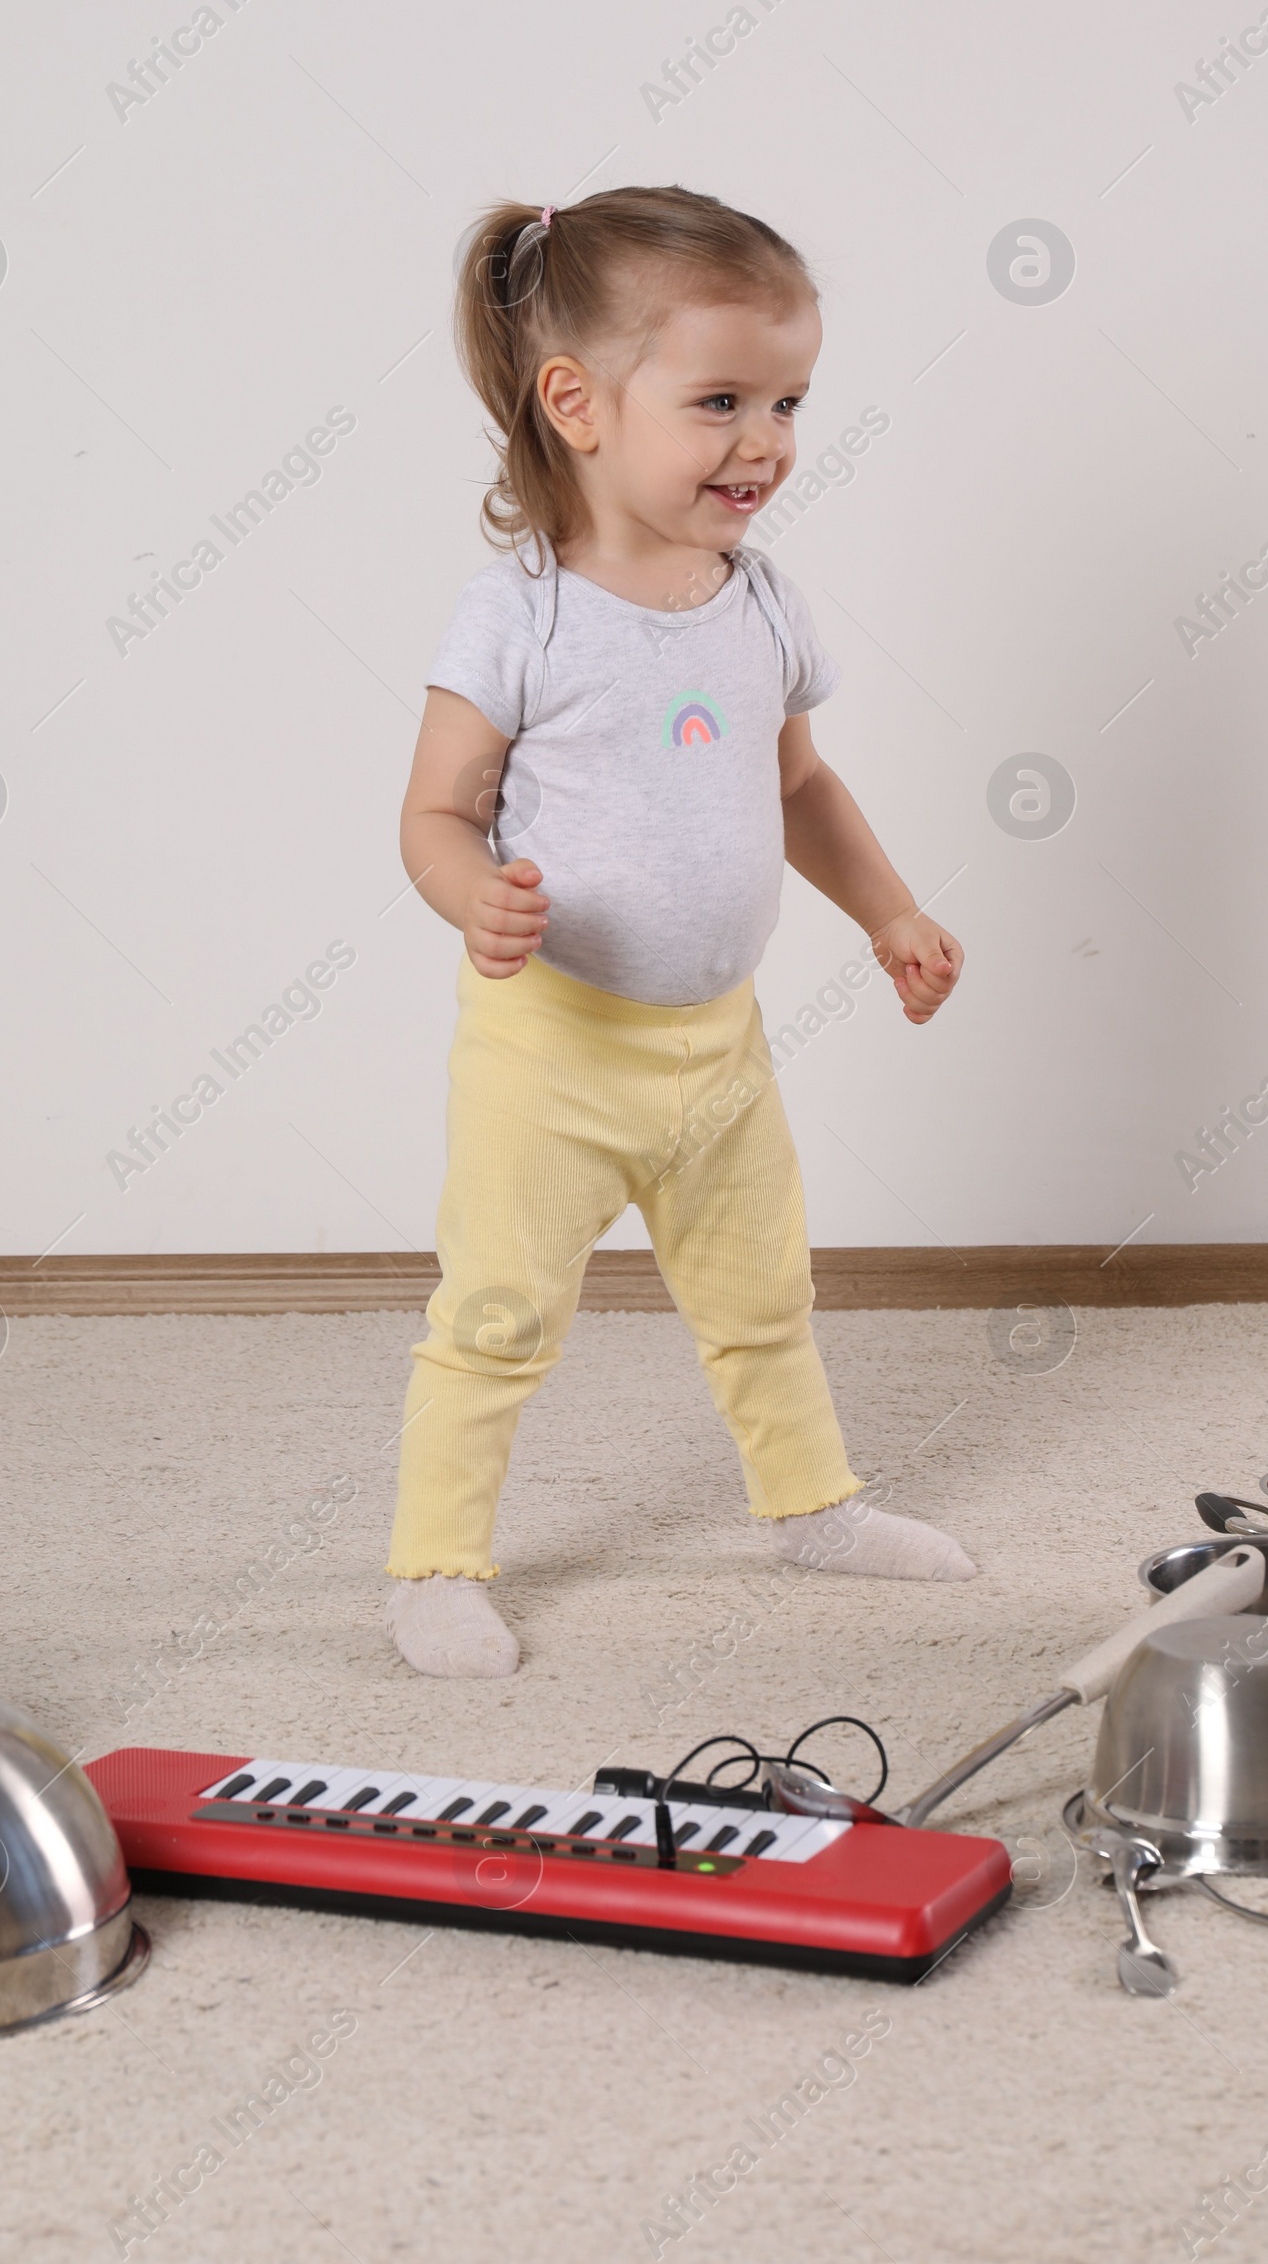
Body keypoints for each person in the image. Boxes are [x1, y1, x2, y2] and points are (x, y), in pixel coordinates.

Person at [387, 184, 971, 1677]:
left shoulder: (758, 602)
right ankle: (436, 1563)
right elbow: (435, 816)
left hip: (721, 1052)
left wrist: (891, 910)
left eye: (787, 399)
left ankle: (809, 1505)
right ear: (576, 403)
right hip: (553, 1053)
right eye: (721, 399)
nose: (765, 440)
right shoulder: (520, 617)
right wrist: (479, 899)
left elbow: (801, 786)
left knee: (766, 1292)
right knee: (500, 1309)